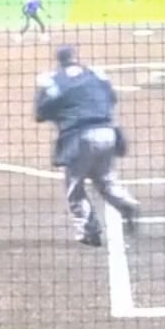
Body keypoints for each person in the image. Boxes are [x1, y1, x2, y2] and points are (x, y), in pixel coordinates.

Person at [35, 46, 140, 247]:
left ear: (60, 61)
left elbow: (40, 113)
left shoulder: (53, 80)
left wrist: (60, 111)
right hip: (108, 133)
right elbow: (111, 98)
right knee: (105, 179)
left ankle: (88, 231)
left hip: (80, 138)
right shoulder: (95, 74)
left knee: (75, 186)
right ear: (75, 58)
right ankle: (126, 203)